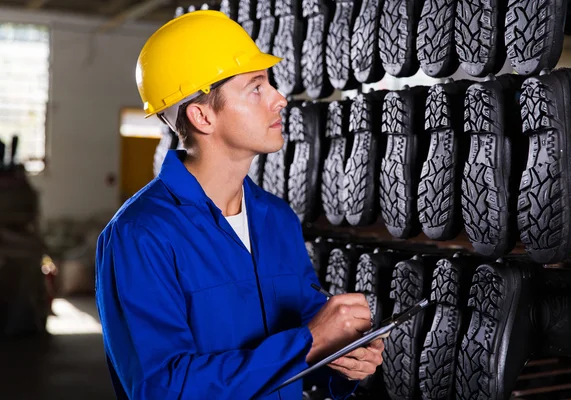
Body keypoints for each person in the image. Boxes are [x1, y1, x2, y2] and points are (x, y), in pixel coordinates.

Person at [95, 10, 385, 400]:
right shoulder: (140, 235)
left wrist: (344, 358)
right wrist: (309, 343)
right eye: (255, 88)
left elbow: (308, 345)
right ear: (202, 116)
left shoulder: (277, 218)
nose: (280, 99)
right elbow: (161, 388)